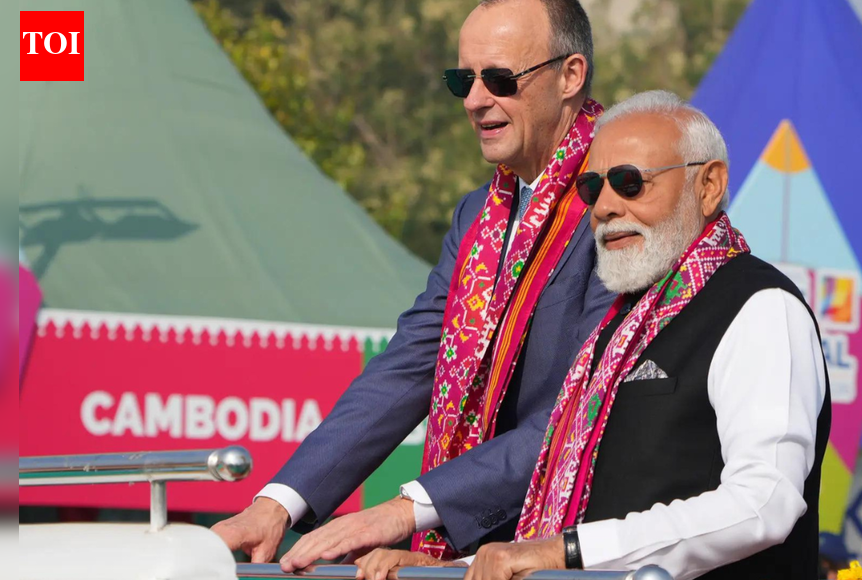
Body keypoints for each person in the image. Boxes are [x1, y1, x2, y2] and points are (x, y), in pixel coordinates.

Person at [354, 90, 832, 580]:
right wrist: (450, 570)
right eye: (591, 188)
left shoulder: (758, 307)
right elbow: (579, 524)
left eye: (630, 183)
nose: (604, 207)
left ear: (708, 185)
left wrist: (566, 553)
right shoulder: (621, 326)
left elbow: (764, 502)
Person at [211, 0, 615, 570]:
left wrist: (406, 509)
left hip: (581, 549)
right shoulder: (479, 215)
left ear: (571, 75)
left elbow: (580, 411)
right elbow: (408, 365)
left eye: (499, 79)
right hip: (475, 549)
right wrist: (278, 503)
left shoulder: (620, 205)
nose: (476, 100)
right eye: (463, 79)